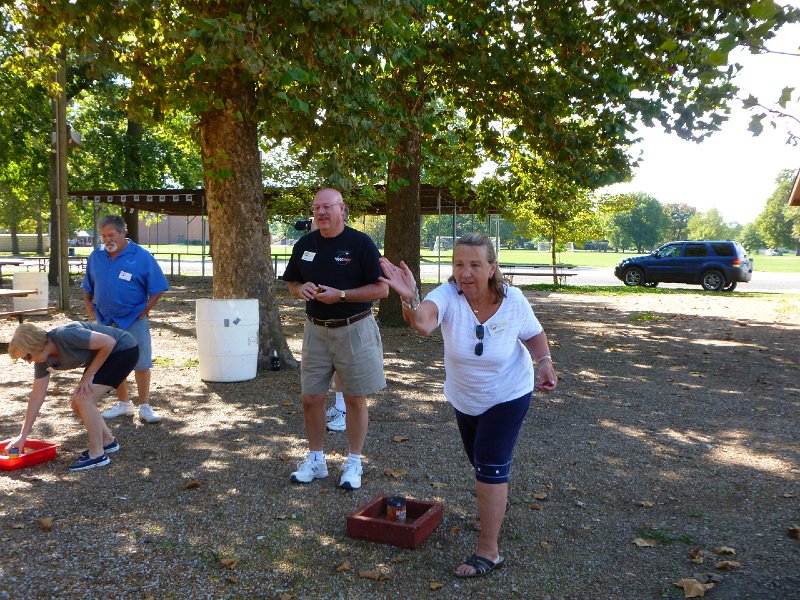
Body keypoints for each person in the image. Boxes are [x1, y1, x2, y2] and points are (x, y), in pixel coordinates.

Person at [378, 232, 558, 578]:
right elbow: (424, 324)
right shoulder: (446, 295)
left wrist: (545, 362)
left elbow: (533, 334)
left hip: (509, 393)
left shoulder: (514, 300)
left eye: (475, 265)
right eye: (459, 264)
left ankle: (488, 551)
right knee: (480, 462)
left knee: (490, 464)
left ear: (492, 267)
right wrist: (409, 299)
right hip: (465, 397)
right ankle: (495, 499)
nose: (466, 273)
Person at [282, 188, 388, 490]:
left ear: (343, 209)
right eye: (316, 207)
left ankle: (354, 462)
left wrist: (341, 295)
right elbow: (292, 282)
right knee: (310, 398)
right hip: (315, 329)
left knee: (355, 398)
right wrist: (298, 290)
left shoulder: (360, 243)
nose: (321, 212)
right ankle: (316, 460)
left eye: (327, 207)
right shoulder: (305, 244)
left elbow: (382, 291)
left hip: (354, 327)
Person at [6, 322, 139, 472]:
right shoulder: (43, 361)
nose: (29, 361)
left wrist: (88, 376)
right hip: (105, 357)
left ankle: (97, 454)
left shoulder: (65, 335)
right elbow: (36, 396)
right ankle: (108, 442)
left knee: (84, 399)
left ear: (35, 344)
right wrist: (22, 436)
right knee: (77, 404)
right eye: (25, 359)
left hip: (123, 350)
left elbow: (109, 342)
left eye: (28, 356)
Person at [81, 215, 169, 424]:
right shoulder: (96, 256)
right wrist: (88, 306)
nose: (106, 239)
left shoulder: (141, 256)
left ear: (123, 233)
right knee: (114, 362)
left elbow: (158, 287)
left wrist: (144, 310)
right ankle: (124, 404)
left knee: (141, 362)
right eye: (103, 236)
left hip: (133, 319)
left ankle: (145, 406)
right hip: (105, 319)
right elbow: (87, 286)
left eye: (111, 235)